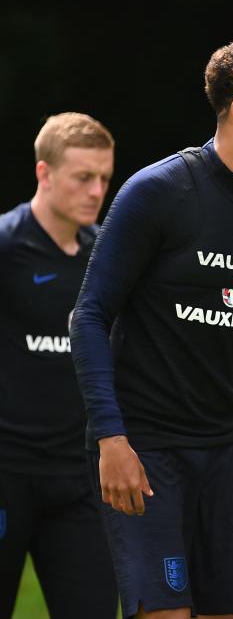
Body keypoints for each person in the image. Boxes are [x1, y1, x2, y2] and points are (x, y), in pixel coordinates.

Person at [70, 35, 233, 619]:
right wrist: (110, 437)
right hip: (145, 451)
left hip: (221, 451)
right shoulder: (158, 193)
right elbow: (90, 314)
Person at [0, 112, 117, 618]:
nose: (97, 191)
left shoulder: (106, 256)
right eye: (83, 177)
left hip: (80, 478)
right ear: (44, 173)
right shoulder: (6, 246)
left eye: (105, 178)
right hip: (7, 471)